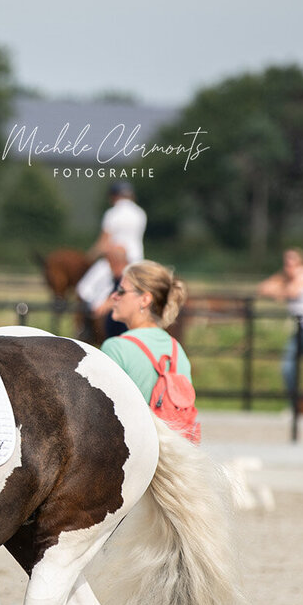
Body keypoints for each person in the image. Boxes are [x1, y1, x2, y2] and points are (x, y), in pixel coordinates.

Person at [99, 260, 199, 441]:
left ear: (145, 299)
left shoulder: (116, 347)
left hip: (134, 456)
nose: (114, 296)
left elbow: (100, 418)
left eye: (121, 291)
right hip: (172, 455)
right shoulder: (177, 349)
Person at [257, 247, 303, 413]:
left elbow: (292, 291)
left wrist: (279, 291)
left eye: (293, 261)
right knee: (288, 367)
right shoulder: (286, 277)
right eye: (287, 261)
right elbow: (263, 288)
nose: (289, 265)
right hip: (301, 328)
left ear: (301, 263)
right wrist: (281, 288)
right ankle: (296, 405)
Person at [76, 181, 147, 340]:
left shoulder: (112, 214)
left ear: (114, 196)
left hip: (115, 261)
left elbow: (104, 242)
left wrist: (89, 257)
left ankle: (87, 328)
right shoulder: (140, 213)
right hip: (137, 262)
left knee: (84, 288)